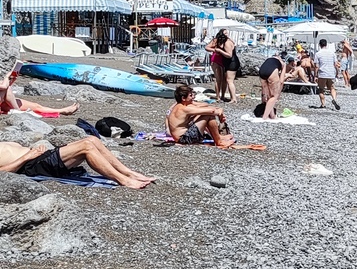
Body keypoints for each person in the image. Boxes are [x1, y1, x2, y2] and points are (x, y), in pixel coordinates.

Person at [0, 134, 156, 190]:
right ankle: (123, 180)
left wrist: (31, 150)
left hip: (37, 158)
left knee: (92, 139)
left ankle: (128, 173)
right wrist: (26, 157)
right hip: (32, 166)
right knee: (86, 147)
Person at [166, 85, 257, 148]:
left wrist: (218, 109)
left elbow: (203, 106)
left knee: (204, 114)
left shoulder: (180, 105)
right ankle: (219, 141)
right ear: (183, 98)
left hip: (182, 136)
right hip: (184, 139)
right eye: (190, 95)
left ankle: (218, 137)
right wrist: (219, 112)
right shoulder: (184, 108)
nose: (193, 97)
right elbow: (211, 111)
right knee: (208, 115)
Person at [0, 64, 78, 118]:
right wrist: (6, 78)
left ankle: (62, 110)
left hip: (4, 99)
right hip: (2, 101)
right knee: (6, 88)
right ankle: (17, 111)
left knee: (36, 106)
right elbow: (4, 86)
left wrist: (11, 79)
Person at [206, 28, 239, 103]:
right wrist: (214, 50)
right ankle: (218, 96)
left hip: (225, 61)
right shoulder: (216, 40)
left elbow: (230, 51)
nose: (227, 34)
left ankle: (223, 95)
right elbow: (207, 47)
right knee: (219, 78)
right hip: (216, 60)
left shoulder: (228, 41)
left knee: (225, 79)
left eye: (227, 33)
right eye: (225, 33)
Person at [315, 39, 341, 111]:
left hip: (322, 73)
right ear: (326, 45)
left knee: (321, 89)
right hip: (331, 73)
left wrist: (315, 75)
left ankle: (323, 104)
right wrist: (337, 73)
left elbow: (316, 66)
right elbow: (336, 64)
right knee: (332, 88)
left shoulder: (318, 54)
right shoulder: (332, 53)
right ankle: (334, 99)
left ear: (319, 45)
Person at [258, 53, 286, 120]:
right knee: (273, 96)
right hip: (272, 72)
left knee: (268, 96)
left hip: (261, 71)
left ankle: (272, 115)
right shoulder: (283, 64)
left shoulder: (269, 59)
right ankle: (265, 117)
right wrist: (278, 93)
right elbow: (281, 81)